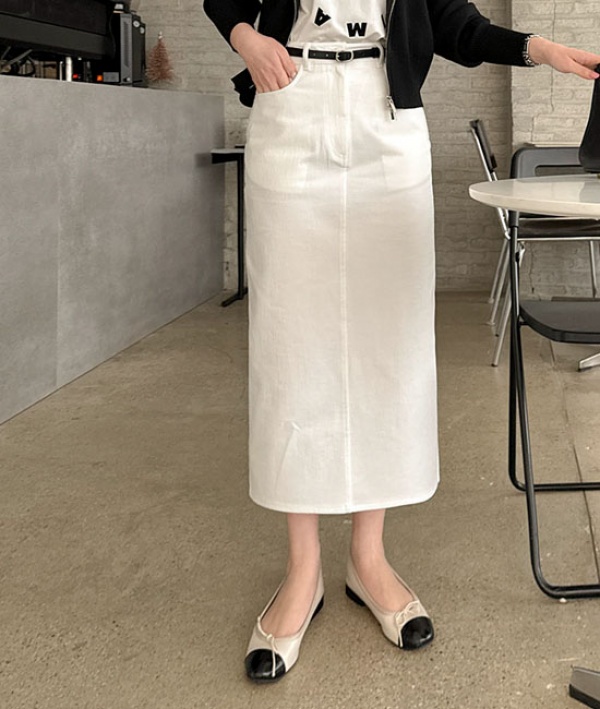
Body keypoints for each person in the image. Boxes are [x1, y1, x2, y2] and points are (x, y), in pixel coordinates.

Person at [203, 0, 600, 684]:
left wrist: (538, 48)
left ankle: (368, 558)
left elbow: (453, 21)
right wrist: (245, 37)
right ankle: (303, 571)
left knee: (389, 343)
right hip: (291, 102)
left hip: (388, 124)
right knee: (291, 346)